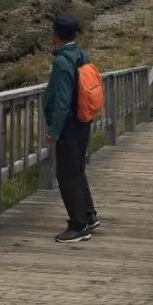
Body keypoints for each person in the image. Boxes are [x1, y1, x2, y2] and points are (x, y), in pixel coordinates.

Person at [42, 13, 98, 243]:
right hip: (83, 120)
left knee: (66, 174)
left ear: (56, 34)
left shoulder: (62, 61)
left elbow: (63, 99)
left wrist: (53, 130)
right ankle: (89, 215)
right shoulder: (81, 55)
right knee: (77, 170)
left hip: (69, 125)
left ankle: (78, 225)